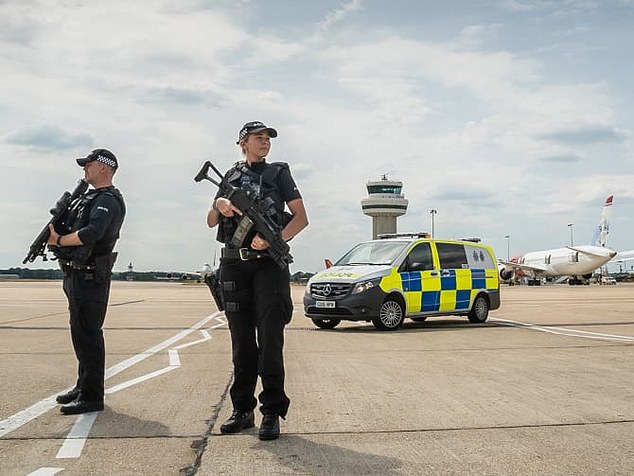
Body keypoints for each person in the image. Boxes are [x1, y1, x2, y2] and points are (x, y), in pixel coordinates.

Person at [207, 121, 308, 440]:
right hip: (235, 266)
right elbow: (210, 221)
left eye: (267, 139)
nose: (265, 142)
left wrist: (273, 238)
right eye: (258, 138)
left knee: (270, 342)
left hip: (268, 267)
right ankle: (242, 409)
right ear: (243, 143)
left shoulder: (278, 173)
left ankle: (271, 412)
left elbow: (301, 218)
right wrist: (220, 205)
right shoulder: (230, 176)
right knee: (241, 343)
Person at [48, 148, 126, 415]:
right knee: (79, 333)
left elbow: (92, 233)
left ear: (104, 167)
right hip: (75, 273)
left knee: (89, 334)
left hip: (91, 275)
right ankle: (83, 386)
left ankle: (92, 396)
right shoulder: (89, 198)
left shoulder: (108, 200)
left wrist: (58, 240)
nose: (85, 169)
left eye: (89, 164)